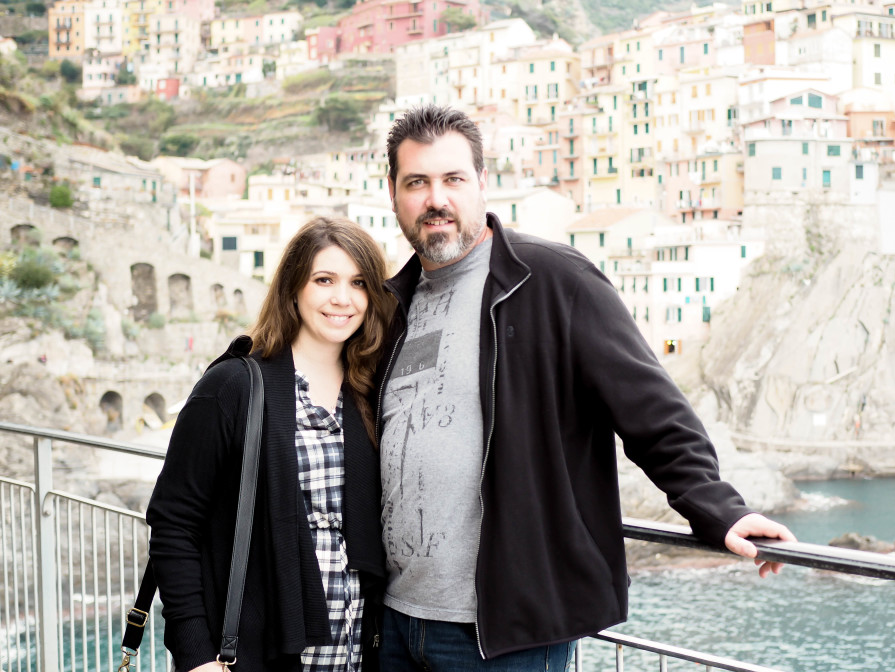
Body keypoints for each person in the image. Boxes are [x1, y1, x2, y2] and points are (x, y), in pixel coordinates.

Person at [376, 105, 796, 671]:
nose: (436, 199)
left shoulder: (556, 281)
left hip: (505, 636)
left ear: (482, 183)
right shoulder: (390, 306)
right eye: (417, 182)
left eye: (453, 179)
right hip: (396, 623)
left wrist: (719, 509)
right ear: (395, 192)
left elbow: (651, 409)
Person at [147, 217, 395, 672]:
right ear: (293, 287)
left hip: (359, 649)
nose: (343, 298)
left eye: (358, 282)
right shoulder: (233, 385)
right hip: (257, 653)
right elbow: (174, 524)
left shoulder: (375, 392)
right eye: (324, 280)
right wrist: (196, 654)